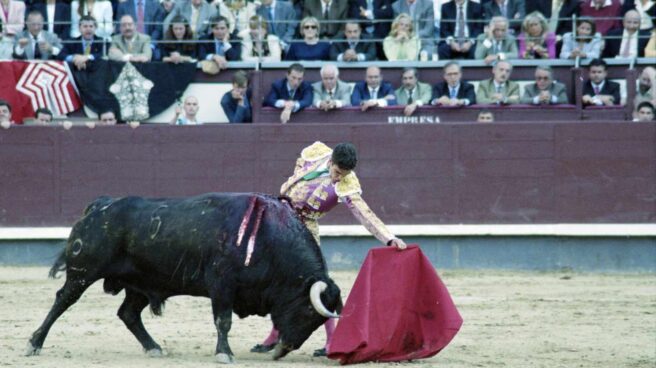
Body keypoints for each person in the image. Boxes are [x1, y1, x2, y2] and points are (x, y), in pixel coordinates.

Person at [250, 141, 407, 357]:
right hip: (281, 219)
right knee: (277, 280)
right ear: (331, 161)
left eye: (343, 175)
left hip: (305, 229)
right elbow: (297, 174)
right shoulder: (315, 152)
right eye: (336, 172)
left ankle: (332, 340)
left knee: (318, 283)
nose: (337, 178)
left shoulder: (348, 184)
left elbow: (364, 213)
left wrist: (389, 238)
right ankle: (275, 335)